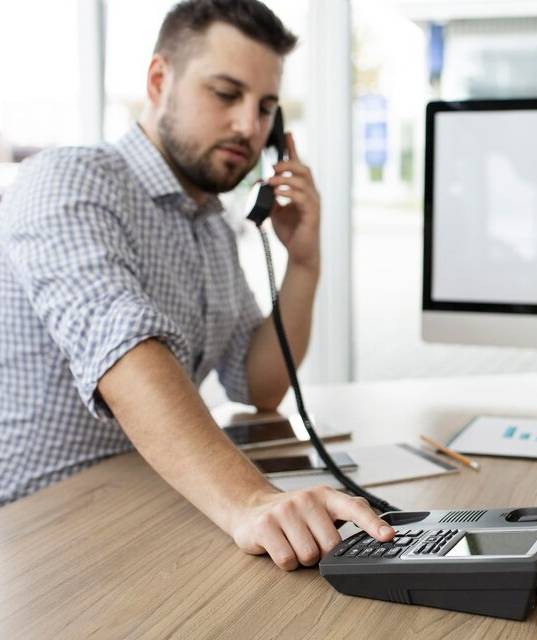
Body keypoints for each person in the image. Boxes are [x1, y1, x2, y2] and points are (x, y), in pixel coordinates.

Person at [0, 0, 394, 569]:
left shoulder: (211, 224)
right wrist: (250, 500)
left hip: (146, 508)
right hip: (37, 532)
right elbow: (122, 345)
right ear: (160, 80)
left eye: (265, 108)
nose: (248, 127)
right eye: (226, 94)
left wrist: (303, 263)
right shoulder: (68, 180)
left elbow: (256, 383)